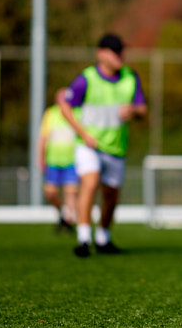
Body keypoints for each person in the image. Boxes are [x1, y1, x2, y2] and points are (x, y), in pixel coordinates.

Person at [57, 33, 148, 258]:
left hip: (116, 147)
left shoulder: (130, 77)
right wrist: (83, 133)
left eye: (121, 51)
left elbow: (142, 109)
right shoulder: (86, 78)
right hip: (89, 145)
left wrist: (133, 110)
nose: (120, 56)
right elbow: (65, 106)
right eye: (114, 52)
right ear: (101, 54)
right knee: (90, 182)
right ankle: (84, 238)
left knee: (111, 195)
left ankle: (103, 238)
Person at [38, 102, 79, 233]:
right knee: (50, 193)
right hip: (53, 161)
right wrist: (41, 157)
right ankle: (63, 214)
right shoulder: (51, 114)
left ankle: (69, 221)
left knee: (71, 193)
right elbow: (43, 138)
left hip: (72, 161)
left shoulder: (77, 112)